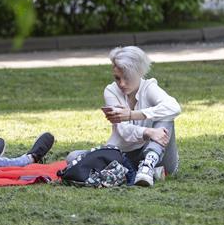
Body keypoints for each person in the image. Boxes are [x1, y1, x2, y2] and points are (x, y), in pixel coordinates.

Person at [68, 46, 181, 187]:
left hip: (158, 155)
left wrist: (132, 115)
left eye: (126, 78)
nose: (121, 83)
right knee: (73, 157)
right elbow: (124, 131)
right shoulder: (111, 91)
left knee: (166, 116)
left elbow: (174, 107)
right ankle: (141, 172)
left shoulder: (149, 87)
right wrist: (148, 132)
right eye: (117, 78)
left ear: (139, 73)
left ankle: (147, 167)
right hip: (122, 155)